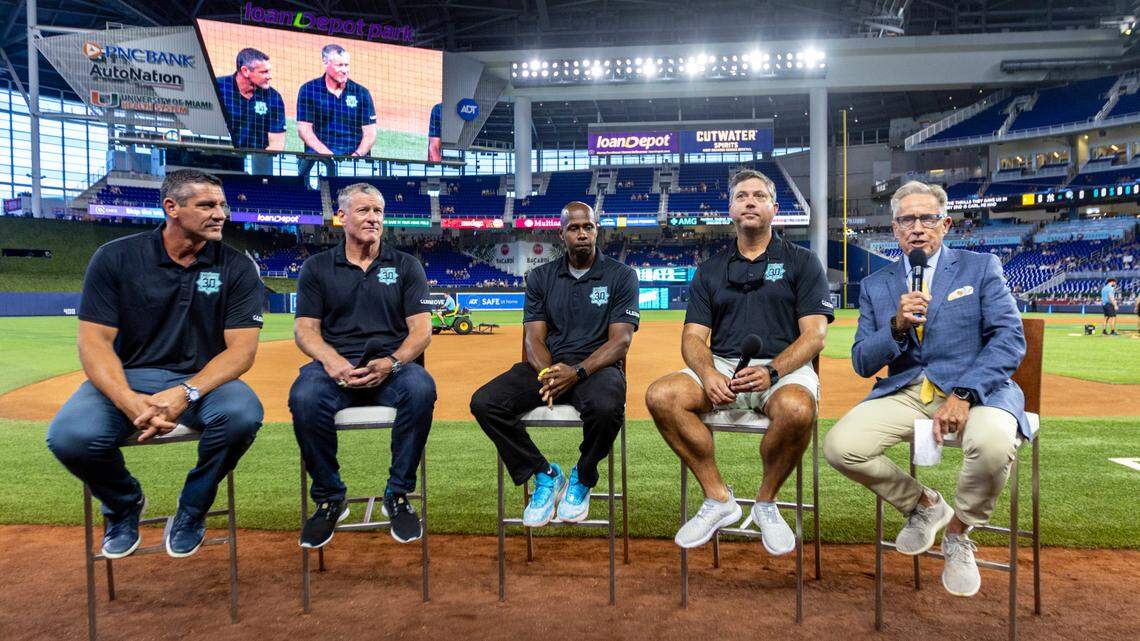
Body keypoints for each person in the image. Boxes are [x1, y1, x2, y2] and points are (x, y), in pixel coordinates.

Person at [824, 180, 1030, 598]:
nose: (917, 227)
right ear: (895, 229)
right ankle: (925, 505)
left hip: (978, 391)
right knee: (841, 446)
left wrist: (965, 393)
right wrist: (896, 326)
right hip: (906, 391)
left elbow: (1010, 338)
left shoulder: (981, 266)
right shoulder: (876, 285)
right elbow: (863, 361)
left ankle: (958, 531)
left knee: (992, 444)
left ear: (946, 224)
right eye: (907, 220)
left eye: (927, 218)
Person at [46, 169, 265, 559]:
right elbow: (94, 343)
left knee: (242, 416)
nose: (221, 214)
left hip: (203, 381)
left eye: (222, 204)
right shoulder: (116, 257)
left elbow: (241, 352)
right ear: (172, 208)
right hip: (128, 376)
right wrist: (129, 401)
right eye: (207, 205)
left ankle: (193, 507)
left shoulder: (236, 266)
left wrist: (186, 392)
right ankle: (124, 503)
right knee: (70, 437)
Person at [645, 169, 832, 556]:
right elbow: (694, 337)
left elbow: (814, 334)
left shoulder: (802, 262)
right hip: (725, 366)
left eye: (759, 196)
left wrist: (772, 371)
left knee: (797, 410)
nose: (750, 201)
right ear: (730, 208)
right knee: (662, 395)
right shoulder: (710, 268)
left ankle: (765, 503)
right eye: (742, 196)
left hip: (784, 368)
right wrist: (708, 372)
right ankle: (719, 499)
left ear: (774, 209)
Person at [470, 202, 639, 526]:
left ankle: (584, 475)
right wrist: (549, 374)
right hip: (548, 370)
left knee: (606, 407)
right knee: (485, 403)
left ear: (596, 230)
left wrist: (575, 373)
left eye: (587, 227)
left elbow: (621, 341)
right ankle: (545, 474)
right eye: (574, 228)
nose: (582, 234)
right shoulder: (541, 277)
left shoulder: (621, 275)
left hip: (596, 370)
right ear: (561, 234)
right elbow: (533, 337)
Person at [289, 182, 436, 547]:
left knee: (422, 388)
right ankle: (329, 497)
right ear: (341, 217)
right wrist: (332, 361)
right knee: (303, 398)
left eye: (378, 212)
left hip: (390, 370)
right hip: (335, 369)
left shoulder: (406, 265)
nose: (373, 218)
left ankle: (398, 494)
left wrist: (392, 361)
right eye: (364, 211)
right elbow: (305, 330)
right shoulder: (317, 267)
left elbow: (421, 331)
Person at [296, 44, 377, 179]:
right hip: (319, 157)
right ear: (325, 63)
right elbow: (304, 131)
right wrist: (328, 156)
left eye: (346, 65)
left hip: (354, 158)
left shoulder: (361, 93)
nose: (345, 70)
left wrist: (356, 156)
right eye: (339, 65)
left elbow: (370, 133)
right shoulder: (308, 90)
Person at [215, 48, 286, 151]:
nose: (270, 76)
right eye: (264, 72)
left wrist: (257, 163)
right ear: (245, 71)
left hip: (257, 160)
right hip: (220, 154)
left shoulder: (274, 98)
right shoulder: (217, 88)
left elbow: (276, 144)